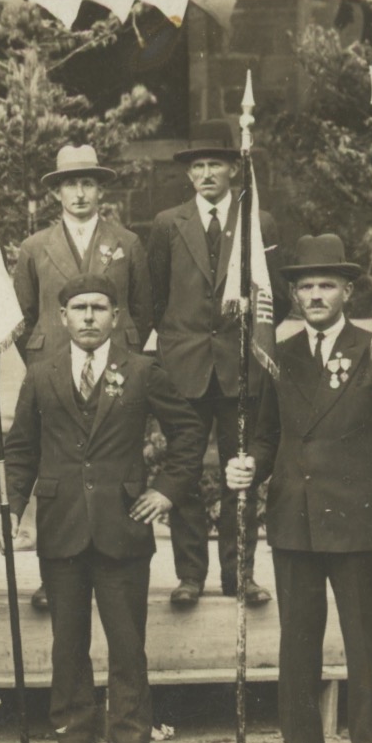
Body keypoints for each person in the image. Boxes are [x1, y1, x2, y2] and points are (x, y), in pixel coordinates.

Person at [224, 235, 372, 743]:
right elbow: (265, 437)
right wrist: (248, 467)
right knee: (297, 643)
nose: (315, 295)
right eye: (305, 286)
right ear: (291, 294)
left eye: (326, 285)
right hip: (295, 520)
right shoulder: (276, 355)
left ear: (347, 291)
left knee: (365, 640)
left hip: (359, 524)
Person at [3, 275, 204, 743]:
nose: (89, 317)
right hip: (61, 526)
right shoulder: (42, 374)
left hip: (123, 525)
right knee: (67, 643)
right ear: (63, 316)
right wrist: (12, 506)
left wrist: (167, 491)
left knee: (126, 643)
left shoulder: (141, 371)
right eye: (79, 308)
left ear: (116, 316)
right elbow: (22, 448)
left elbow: (189, 431)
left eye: (99, 308)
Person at [146, 121, 284, 609]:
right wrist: (163, 354)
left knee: (239, 470)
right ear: (189, 174)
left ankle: (239, 574)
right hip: (183, 364)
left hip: (238, 365)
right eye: (197, 166)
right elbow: (154, 297)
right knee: (182, 469)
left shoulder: (257, 222)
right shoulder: (167, 223)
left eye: (215, 164)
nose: (206, 173)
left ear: (233, 168)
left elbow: (276, 297)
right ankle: (189, 576)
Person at [11, 144, 151, 611]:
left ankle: (110, 557)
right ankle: (58, 575)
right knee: (61, 463)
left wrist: (119, 350)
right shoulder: (35, 247)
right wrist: (44, 356)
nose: (80, 192)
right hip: (55, 361)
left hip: (112, 365)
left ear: (100, 189)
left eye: (88, 182)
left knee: (109, 461)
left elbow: (142, 308)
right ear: (57, 192)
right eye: (71, 183)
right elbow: (24, 313)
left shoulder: (126, 243)